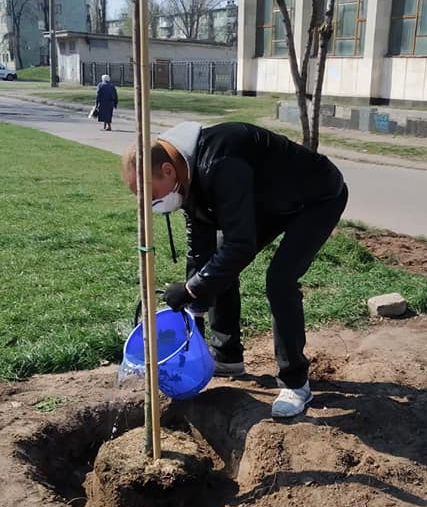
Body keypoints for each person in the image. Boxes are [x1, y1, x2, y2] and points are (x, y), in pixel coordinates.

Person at [121, 121, 348, 418]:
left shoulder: (220, 162)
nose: (150, 203)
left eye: (150, 193)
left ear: (167, 171)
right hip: (270, 202)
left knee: (280, 279)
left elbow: (240, 246)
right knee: (217, 262)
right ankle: (227, 356)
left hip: (317, 197)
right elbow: (201, 249)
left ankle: (296, 383)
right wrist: (194, 309)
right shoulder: (185, 174)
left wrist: (192, 289)